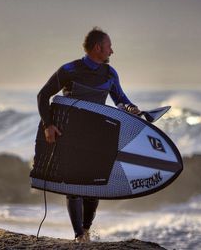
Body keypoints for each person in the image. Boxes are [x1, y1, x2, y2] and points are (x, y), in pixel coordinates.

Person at [36, 27, 140, 242]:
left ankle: (85, 229)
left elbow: (121, 100)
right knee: (74, 186)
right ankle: (78, 236)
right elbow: (43, 95)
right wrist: (48, 125)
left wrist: (132, 109)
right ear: (98, 48)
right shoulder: (69, 70)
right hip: (70, 136)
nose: (112, 51)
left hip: (97, 137)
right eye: (109, 46)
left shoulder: (110, 74)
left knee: (94, 187)